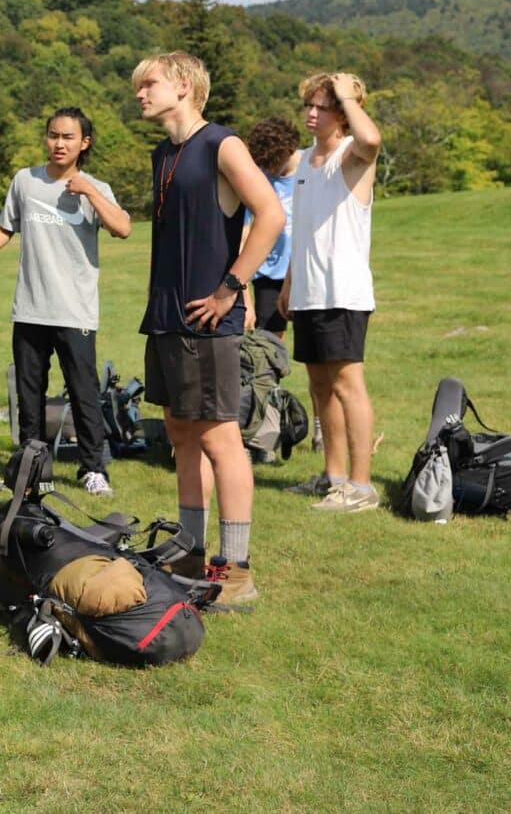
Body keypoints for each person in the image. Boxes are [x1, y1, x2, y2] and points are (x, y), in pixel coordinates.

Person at [132, 53, 283, 611]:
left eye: (148, 84)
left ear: (183, 86)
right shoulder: (163, 154)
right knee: (180, 430)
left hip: (210, 318)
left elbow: (269, 213)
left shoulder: (222, 144)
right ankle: (191, 551)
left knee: (220, 435)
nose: (140, 94)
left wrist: (232, 288)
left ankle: (236, 568)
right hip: (169, 316)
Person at [0, 107, 131, 497]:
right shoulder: (25, 181)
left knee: (84, 389)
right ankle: (32, 468)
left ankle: (93, 469)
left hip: (75, 310)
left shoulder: (95, 187)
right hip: (31, 307)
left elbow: (122, 227)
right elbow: (6, 227)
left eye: (68, 137)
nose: (58, 143)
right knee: (29, 393)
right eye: (53, 135)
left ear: (83, 143)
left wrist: (87, 190)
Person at [280, 73, 383, 512]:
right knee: (320, 387)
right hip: (308, 291)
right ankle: (334, 475)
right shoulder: (304, 160)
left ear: (341, 112)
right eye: (310, 105)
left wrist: (346, 95)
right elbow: (299, 229)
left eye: (322, 106)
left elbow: (372, 137)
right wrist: (288, 283)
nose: (311, 112)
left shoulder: (352, 155)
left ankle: (361, 488)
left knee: (347, 385)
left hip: (342, 293)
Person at [242, 116, 301, 336]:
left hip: (304, 271)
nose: (269, 169)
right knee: (269, 344)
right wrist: (244, 294)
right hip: (269, 274)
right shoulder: (256, 178)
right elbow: (244, 235)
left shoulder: (311, 168)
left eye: (273, 163)